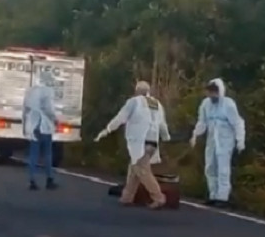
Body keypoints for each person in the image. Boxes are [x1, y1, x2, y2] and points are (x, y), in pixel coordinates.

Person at [94, 81, 171, 209]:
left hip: (139, 141)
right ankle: (127, 196)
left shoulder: (134, 102)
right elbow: (162, 124)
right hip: (152, 141)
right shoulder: (157, 104)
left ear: (137, 91)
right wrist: (166, 137)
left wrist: (107, 130)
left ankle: (158, 197)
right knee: (134, 169)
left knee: (142, 170)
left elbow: (120, 118)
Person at [190, 78, 245, 208]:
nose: (211, 96)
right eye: (209, 93)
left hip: (225, 142)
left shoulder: (228, 105)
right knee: (210, 167)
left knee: (223, 169)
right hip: (212, 141)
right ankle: (213, 195)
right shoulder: (205, 105)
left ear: (219, 92)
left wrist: (240, 140)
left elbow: (237, 123)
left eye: (214, 93)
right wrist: (195, 135)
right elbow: (202, 122)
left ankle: (223, 197)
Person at [22, 70, 59, 191]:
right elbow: (48, 109)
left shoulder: (30, 91)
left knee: (33, 154)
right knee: (47, 154)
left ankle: (32, 180)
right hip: (45, 126)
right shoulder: (47, 91)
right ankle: (49, 179)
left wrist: (24, 127)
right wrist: (55, 120)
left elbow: (25, 110)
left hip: (33, 126)